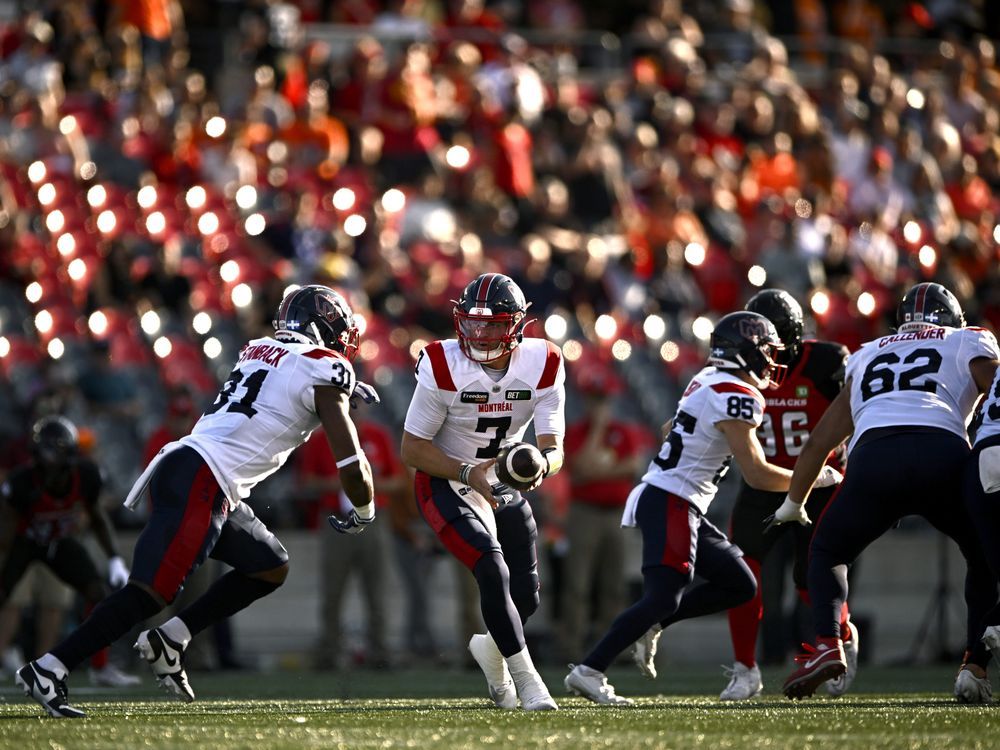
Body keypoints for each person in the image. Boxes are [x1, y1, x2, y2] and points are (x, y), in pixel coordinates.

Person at [15, 284, 379, 718]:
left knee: (269, 565)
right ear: (323, 330)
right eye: (338, 332)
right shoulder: (325, 369)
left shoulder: (260, 348)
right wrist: (363, 509)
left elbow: (284, 386)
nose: (343, 343)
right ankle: (50, 667)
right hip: (203, 478)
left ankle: (172, 638)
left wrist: (345, 391)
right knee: (150, 592)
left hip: (202, 475)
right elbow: (351, 464)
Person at [563, 310, 843, 705]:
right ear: (747, 353)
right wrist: (814, 477)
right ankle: (589, 670)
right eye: (765, 351)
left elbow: (667, 431)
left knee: (741, 583)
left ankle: (651, 624)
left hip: (679, 499)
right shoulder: (738, 394)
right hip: (671, 499)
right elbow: (757, 475)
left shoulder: (706, 380)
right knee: (663, 596)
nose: (772, 361)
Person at [774, 283, 1000, 702]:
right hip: (943, 456)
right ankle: (974, 666)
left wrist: (793, 503)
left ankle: (827, 642)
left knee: (826, 553)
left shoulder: (867, 353)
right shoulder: (968, 341)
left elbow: (818, 443)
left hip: (873, 459)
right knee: (984, 557)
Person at [400, 272, 566, 711]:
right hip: (445, 477)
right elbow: (412, 448)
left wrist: (538, 466)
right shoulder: (441, 363)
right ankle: (528, 682)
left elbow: (554, 448)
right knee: (491, 568)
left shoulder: (544, 362)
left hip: (499, 480)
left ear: (516, 326)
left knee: (526, 596)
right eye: (473, 323)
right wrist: (467, 470)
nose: (479, 333)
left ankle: (491, 656)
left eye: (492, 324)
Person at [716, 289, 857, 701]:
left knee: (813, 577)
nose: (764, 354)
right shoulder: (738, 369)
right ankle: (745, 668)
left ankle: (836, 643)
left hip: (820, 482)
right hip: (765, 483)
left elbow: (858, 410)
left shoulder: (828, 362)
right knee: (744, 577)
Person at [0, 416, 140, 688]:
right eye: (45, 450)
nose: (49, 458)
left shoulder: (85, 476)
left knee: (98, 593)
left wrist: (114, 558)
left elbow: (97, 517)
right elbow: (5, 526)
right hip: (23, 542)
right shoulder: (21, 482)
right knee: (4, 594)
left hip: (58, 542)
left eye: (54, 450)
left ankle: (100, 668)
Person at [298, 411, 406, 670]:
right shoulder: (320, 439)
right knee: (332, 591)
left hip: (374, 520)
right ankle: (329, 650)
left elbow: (399, 481)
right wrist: (335, 484)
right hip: (336, 519)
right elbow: (306, 481)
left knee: (377, 590)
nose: (354, 409)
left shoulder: (377, 435)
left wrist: (367, 485)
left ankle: (380, 651)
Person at [559, 366, 651, 662]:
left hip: (615, 514)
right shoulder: (576, 432)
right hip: (584, 513)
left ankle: (610, 649)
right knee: (578, 585)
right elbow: (580, 468)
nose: (599, 406)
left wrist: (598, 471)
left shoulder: (624, 432)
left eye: (603, 400)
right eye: (595, 400)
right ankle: (570, 648)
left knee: (614, 585)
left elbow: (633, 467)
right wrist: (597, 432)